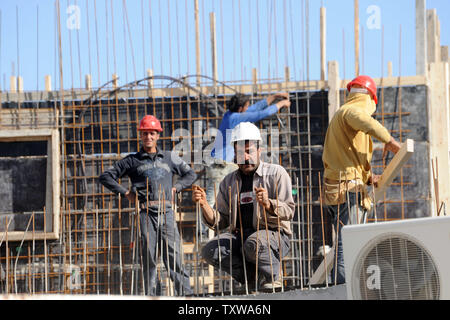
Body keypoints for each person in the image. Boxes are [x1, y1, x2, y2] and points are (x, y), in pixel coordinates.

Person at [99, 115, 196, 296]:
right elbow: (105, 176)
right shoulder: (132, 160)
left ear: (158, 135)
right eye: (145, 133)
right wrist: (125, 193)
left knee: (173, 254)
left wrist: (177, 188)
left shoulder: (170, 157)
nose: (148, 137)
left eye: (152, 133)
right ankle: (154, 295)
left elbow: (190, 174)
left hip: (166, 211)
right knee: (149, 256)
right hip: (145, 213)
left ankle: (185, 294)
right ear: (140, 135)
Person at [193, 122, 295, 291]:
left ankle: (272, 277)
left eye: (249, 151)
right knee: (211, 250)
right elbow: (221, 222)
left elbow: (289, 211)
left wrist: (269, 204)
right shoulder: (229, 181)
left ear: (259, 150)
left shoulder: (276, 173)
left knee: (252, 243)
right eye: (240, 152)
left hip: (274, 237)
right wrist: (204, 205)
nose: (245, 157)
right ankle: (249, 280)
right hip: (240, 237)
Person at [322, 75, 402, 285]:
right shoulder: (352, 111)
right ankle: (342, 292)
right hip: (347, 191)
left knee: (345, 243)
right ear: (370, 99)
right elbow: (366, 121)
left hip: (338, 189)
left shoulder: (343, 118)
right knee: (348, 246)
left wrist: (368, 178)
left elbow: (350, 157)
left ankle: (344, 288)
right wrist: (391, 141)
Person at [204, 92, 291, 223]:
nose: (248, 108)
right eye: (246, 106)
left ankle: (213, 230)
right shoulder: (235, 118)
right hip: (221, 165)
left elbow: (255, 108)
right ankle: (207, 233)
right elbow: (260, 114)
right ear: (240, 108)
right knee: (213, 201)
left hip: (220, 163)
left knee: (222, 198)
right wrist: (281, 103)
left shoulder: (230, 114)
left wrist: (275, 96)